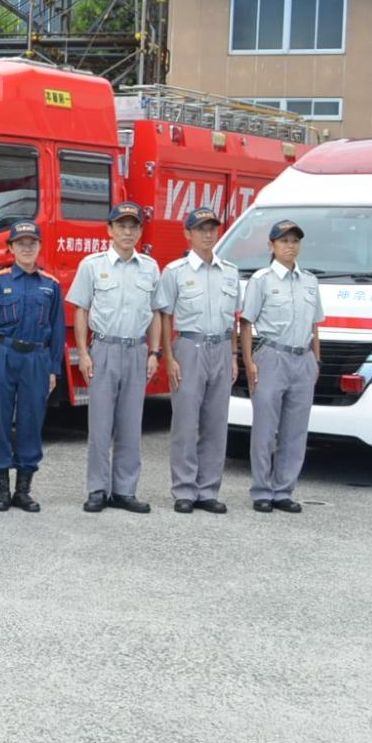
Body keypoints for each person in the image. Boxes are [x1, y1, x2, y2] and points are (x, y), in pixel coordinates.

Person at [66, 202, 161, 514]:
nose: (128, 231)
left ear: (140, 231)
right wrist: (83, 353)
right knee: (100, 425)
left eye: (133, 226)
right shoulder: (92, 265)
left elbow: (156, 313)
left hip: (136, 351)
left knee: (131, 426)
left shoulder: (150, 267)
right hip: (103, 350)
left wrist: (155, 352)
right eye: (121, 225)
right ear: (109, 230)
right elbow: (81, 309)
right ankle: (97, 490)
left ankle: (124, 490)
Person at [154, 207, 242, 515]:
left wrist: (233, 355)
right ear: (187, 234)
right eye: (201, 229)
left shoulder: (230, 271)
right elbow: (165, 315)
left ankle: (208, 490)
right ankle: (184, 490)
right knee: (185, 422)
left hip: (220, 348)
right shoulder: (175, 272)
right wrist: (169, 356)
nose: (208, 234)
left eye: (212, 228)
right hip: (189, 347)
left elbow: (234, 318)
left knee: (216, 423)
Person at [0, 220, 64, 512]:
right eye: (21, 243)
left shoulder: (51, 286)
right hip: (4, 354)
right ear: (11, 248)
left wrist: (53, 369)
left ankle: (23, 491)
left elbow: (57, 331)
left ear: (39, 247)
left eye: (32, 243)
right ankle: (2, 490)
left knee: (31, 420)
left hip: (36, 360)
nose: (27, 248)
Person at [241, 218, 324, 513]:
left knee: (296, 430)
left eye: (294, 241)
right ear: (271, 246)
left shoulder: (310, 281)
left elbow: (315, 325)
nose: (290, 246)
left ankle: (283, 490)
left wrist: (316, 359)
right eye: (284, 241)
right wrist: (249, 362)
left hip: (302, 359)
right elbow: (247, 324)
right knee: (265, 429)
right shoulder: (261, 280)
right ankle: (262, 490)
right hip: (271, 357)